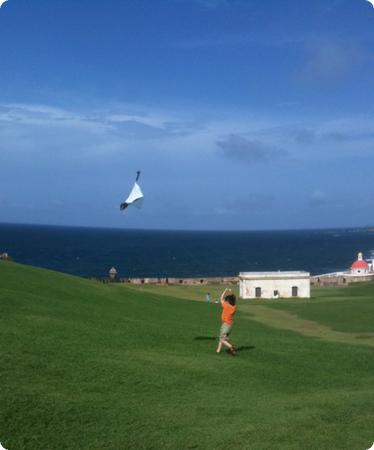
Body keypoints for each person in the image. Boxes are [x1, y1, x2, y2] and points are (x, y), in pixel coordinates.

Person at [216, 288, 237, 355]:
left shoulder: (226, 306)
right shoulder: (234, 307)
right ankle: (218, 351)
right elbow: (234, 298)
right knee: (221, 338)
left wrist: (225, 290)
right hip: (230, 325)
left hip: (225, 325)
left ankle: (231, 347)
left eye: (226, 300)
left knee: (222, 339)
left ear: (228, 301)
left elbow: (221, 298)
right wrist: (231, 292)